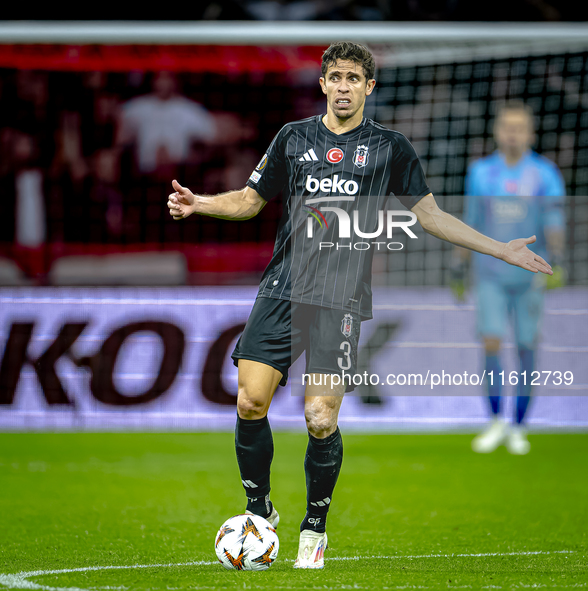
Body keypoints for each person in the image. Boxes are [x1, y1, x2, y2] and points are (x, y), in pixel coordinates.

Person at [167, 43, 553, 568]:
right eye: (335, 77)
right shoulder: (293, 138)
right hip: (281, 290)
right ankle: (259, 511)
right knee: (250, 403)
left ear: (369, 87)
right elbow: (250, 201)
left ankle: (314, 529)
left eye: (354, 77)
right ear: (323, 84)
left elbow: (431, 216)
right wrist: (201, 204)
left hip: (340, 301)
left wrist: (499, 247)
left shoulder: (390, 148)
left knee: (320, 417)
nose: (344, 86)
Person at [451, 100, 566, 455]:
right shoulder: (481, 173)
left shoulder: (545, 174)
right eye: (507, 126)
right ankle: (496, 420)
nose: (513, 133)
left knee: (527, 345)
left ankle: (519, 425)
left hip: (531, 275)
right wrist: (459, 265)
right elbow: (469, 222)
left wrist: (557, 260)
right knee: (491, 342)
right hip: (491, 274)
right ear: (497, 131)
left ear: (531, 132)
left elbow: (554, 221)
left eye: (520, 127)